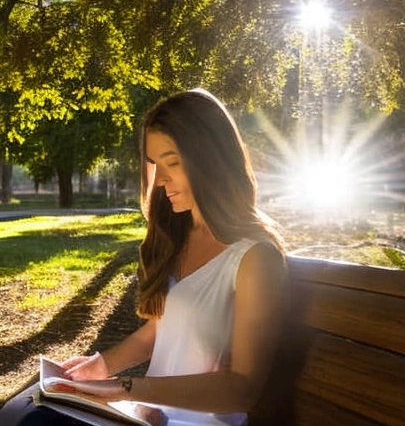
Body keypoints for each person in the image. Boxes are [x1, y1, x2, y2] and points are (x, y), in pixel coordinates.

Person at [0, 88, 288, 426]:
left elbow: (242, 390)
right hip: (149, 416)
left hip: (195, 423)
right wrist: (100, 366)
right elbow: (159, 330)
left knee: (35, 422)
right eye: (155, 165)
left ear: (211, 159)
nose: (161, 179)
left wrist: (125, 388)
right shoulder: (180, 237)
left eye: (173, 162)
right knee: (24, 410)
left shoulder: (255, 257)